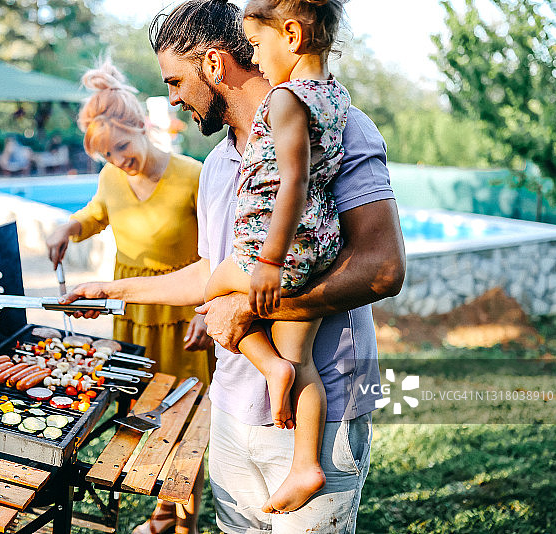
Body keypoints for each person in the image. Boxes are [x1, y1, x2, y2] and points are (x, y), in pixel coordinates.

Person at [62, 1, 406, 532]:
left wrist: (251, 308)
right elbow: (210, 272)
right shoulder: (215, 165)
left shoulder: (340, 128)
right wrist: (108, 290)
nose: (172, 99)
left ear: (215, 65)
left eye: (176, 81)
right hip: (230, 405)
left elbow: (383, 269)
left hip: (322, 411)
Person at [44, 60, 215, 534]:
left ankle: (183, 523)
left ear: (141, 125)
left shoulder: (194, 175)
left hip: (184, 318)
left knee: (185, 425)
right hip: (131, 316)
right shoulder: (111, 178)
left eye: (121, 147)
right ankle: (162, 513)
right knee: (141, 419)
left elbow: (220, 252)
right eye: (107, 155)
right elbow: (96, 213)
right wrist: (68, 227)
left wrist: (208, 309)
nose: (118, 161)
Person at [202, 0, 350, 514]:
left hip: (273, 249)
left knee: (213, 292)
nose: (256, 58)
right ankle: (306, 464)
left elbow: (294, 180)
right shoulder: (336, 96)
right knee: (301, 358)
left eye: (257, 44)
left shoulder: (285, 99)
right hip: (318, 244)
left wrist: (266, 261)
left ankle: (269, 368)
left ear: (290, 35)